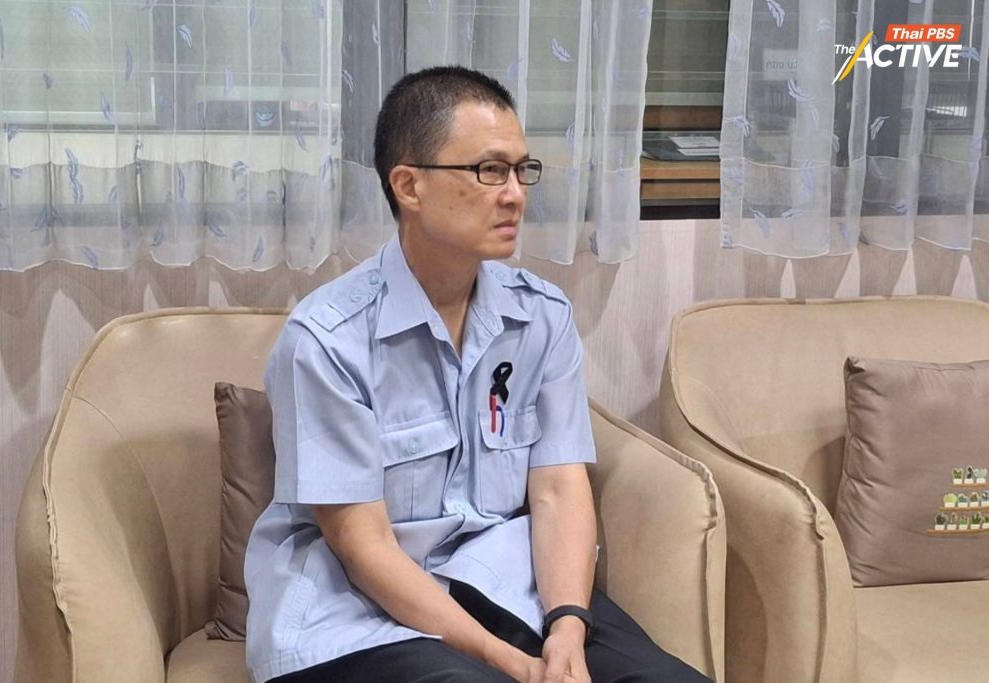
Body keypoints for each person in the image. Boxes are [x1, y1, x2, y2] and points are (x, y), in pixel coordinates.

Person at [244, 65, 710, 683]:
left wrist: (567, 628)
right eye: (489, 170)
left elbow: (558, 488)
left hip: (500, 583)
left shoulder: (540, 316)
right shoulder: (327, 340)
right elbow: (364, 547)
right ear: (409, 186)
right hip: (354, 615)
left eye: (521, 170)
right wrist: (509, 662)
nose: (514, 193)